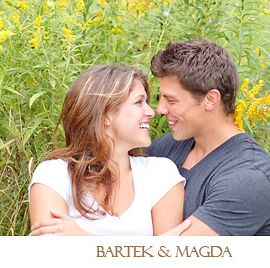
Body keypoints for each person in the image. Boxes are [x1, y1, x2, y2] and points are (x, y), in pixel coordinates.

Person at [27, 64, 189, 236]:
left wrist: (84, 239)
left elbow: (167, 258)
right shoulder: (54, 174)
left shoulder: (160, 173)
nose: (151, 112)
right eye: (139, 102)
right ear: (105, 115)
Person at [145, 39, 270, 236]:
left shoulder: (247, 177)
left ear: (210, 99)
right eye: (161, 98)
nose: (160, 109)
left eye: (172, 100)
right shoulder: (163, 150)